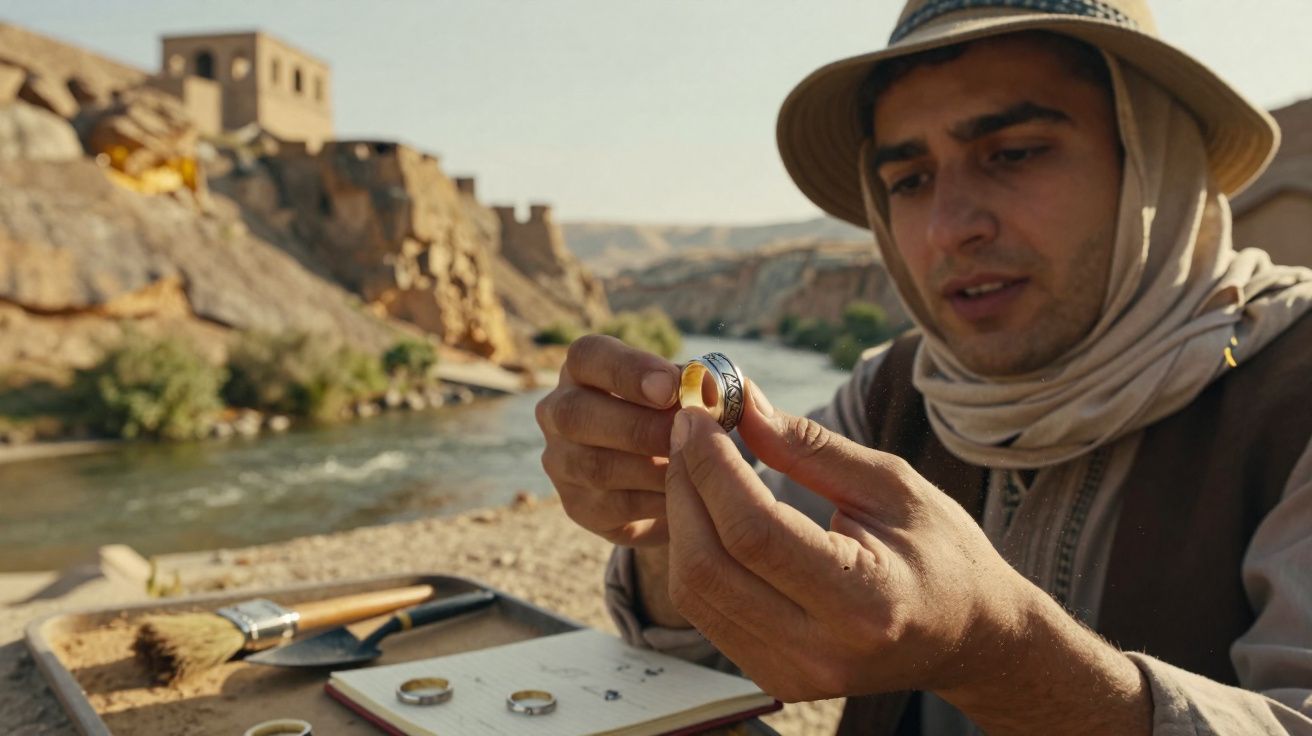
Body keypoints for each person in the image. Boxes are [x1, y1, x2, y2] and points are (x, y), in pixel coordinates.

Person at [535, 1, 1312, 733]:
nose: (948, 229)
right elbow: (710, 649)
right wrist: (666, 524)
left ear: (1154, 163)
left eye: (1013, 153)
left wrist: (997, 653)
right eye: (909, 180)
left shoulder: (1293, 391)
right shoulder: (891, 392)